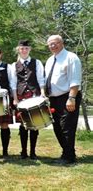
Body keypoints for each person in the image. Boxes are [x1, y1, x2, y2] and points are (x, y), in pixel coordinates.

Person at [44, 35, 82, 164]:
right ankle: (66, 152)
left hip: (67, 97)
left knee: (67, 127)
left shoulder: (71, 58)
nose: (53, 46)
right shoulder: (50, 60)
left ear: (62, 43)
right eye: (50, 44)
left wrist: (72, 98)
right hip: (54, 99)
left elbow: (75, 79)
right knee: (57, 127)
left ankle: (69, 157)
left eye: (55, 43)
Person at [11, 40, 45, 159]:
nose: (24, 50)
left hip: (34, 95)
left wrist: (43, 94)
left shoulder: (37, 63)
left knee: (34, 124)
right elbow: (13, 84)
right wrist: (15, 99)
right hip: (21, 97)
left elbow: (41, 80)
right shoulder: (13, 66)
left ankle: (33, 152)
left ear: (29, 49)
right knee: (23, 125)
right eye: (21, 48)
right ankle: (24, 151)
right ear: (18, 50)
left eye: (26, 48)